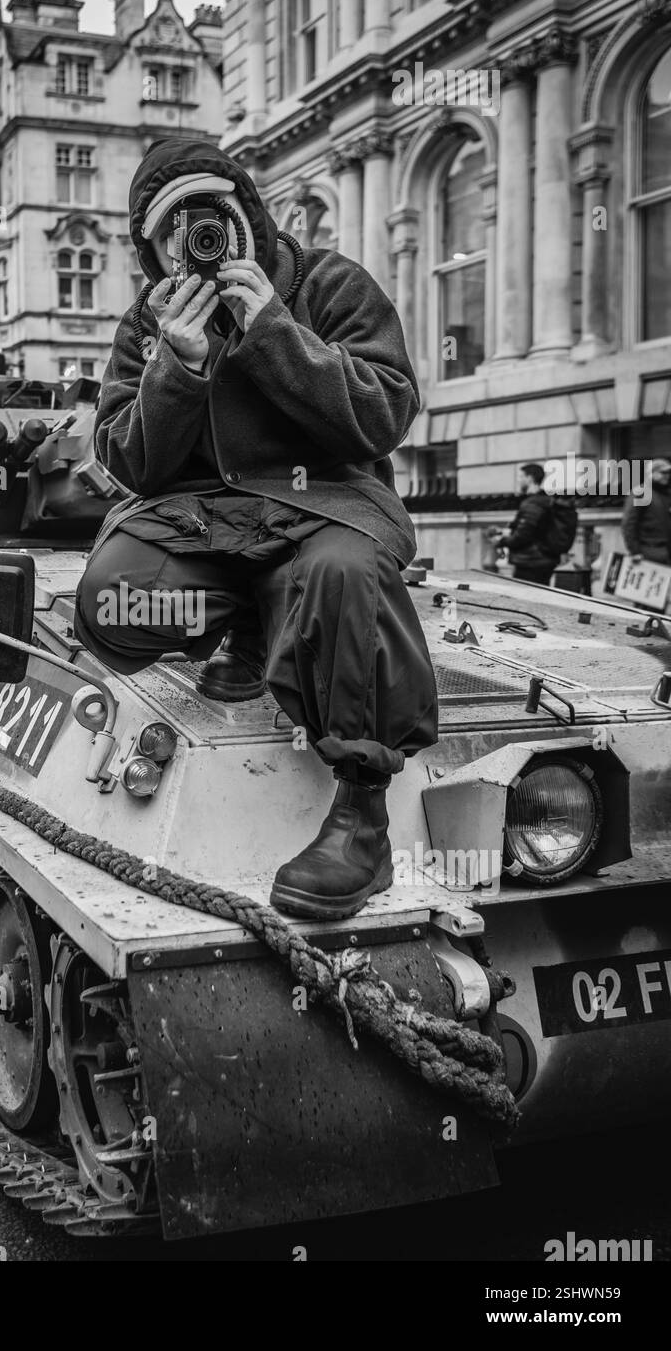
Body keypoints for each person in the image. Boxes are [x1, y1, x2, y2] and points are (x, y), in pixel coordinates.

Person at [72, 136, 439, 922]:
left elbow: (384, 412)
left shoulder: (330, 283)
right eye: (178, 231)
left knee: (343, 577)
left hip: (324, 510)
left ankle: (361, 816)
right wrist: (179, 362)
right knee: (111, 599)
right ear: (157, 250)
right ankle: (251, 623)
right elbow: (126, 460)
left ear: (246, 214)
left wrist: (272, 329)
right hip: (203, 527)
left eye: (214, 217)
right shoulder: (150, 322)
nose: (200, 241)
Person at [489, 463, 570, 585]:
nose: (518, 480)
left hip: (531, 562)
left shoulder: (533, 503)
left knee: (527, 597)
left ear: (530, 478)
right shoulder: (545, 500)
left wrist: (500, 541)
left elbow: (523, 535)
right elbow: (536, 530)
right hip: (543, 560)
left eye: (521, 477)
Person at [622, 457, 671, 565]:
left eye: (668, 472)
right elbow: (629, 524)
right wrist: (635, 551)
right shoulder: (641, 493)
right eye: (663, 473)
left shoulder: (666, 494)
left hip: (665, 551)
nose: (667, 476)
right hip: (649, 551)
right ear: (651, 473)